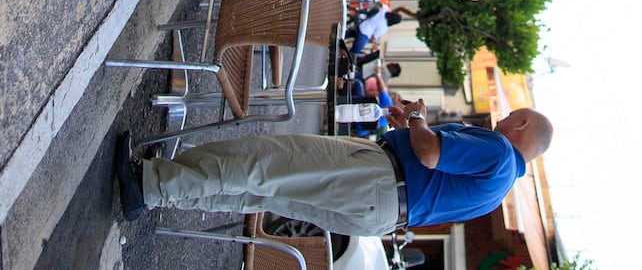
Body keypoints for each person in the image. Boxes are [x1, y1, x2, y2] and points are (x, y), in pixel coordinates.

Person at [114, 99, 553, 229]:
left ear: (523, 123)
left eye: (517, 114)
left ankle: (150, 185)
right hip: (383, 213)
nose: (510, 115)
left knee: (263, 164)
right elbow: (432, 173)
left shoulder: (498, 152)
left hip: (378, 178)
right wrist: (408, 128)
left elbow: (431, 153)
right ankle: (156, 191)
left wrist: (418, 119)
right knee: (260, 191)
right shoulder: (498, 191)